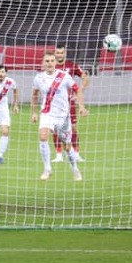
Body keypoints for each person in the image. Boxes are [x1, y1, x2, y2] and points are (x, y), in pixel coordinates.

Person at [31, 51, 88, 181]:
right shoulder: (38, 78)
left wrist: (82, 106)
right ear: (43, 63)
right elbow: (34, 94)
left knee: (67, 146)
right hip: (47, 113)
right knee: (43, 136)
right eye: (47, 61)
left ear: (55, 62)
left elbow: (77, 90)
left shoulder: (65, 76)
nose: (50, 63)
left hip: (63, 116)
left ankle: (74, 168)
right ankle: (47, 169)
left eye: (52, 61)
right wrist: (34, 112)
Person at [52, 45, 89, 162]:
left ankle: (76, 154)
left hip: (69, 103)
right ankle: (58, 155)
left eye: (61, 52)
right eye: (57, 53)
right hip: (55, 103)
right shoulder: (50, 66)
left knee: (73, 128)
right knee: (55, 129)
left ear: (65, 53)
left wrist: (79, 92)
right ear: (54, 53)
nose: (59, 55)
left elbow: (85, 78)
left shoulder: (71, 65)